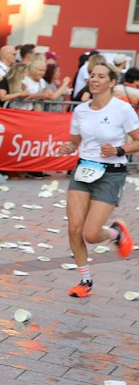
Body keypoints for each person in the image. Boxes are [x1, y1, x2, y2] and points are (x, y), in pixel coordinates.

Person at [55, 61, 139, 298]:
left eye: (101, 76)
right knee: (74, 229)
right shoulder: (81, 110)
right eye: (92, 75)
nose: (94, 80)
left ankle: (115, 233)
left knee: (91, 234)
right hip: (84, 170)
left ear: (112, 83)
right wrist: (67, 146)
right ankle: (85, 280)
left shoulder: (121, 109)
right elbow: (74, 141)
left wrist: (119, 151)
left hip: (111, 174)